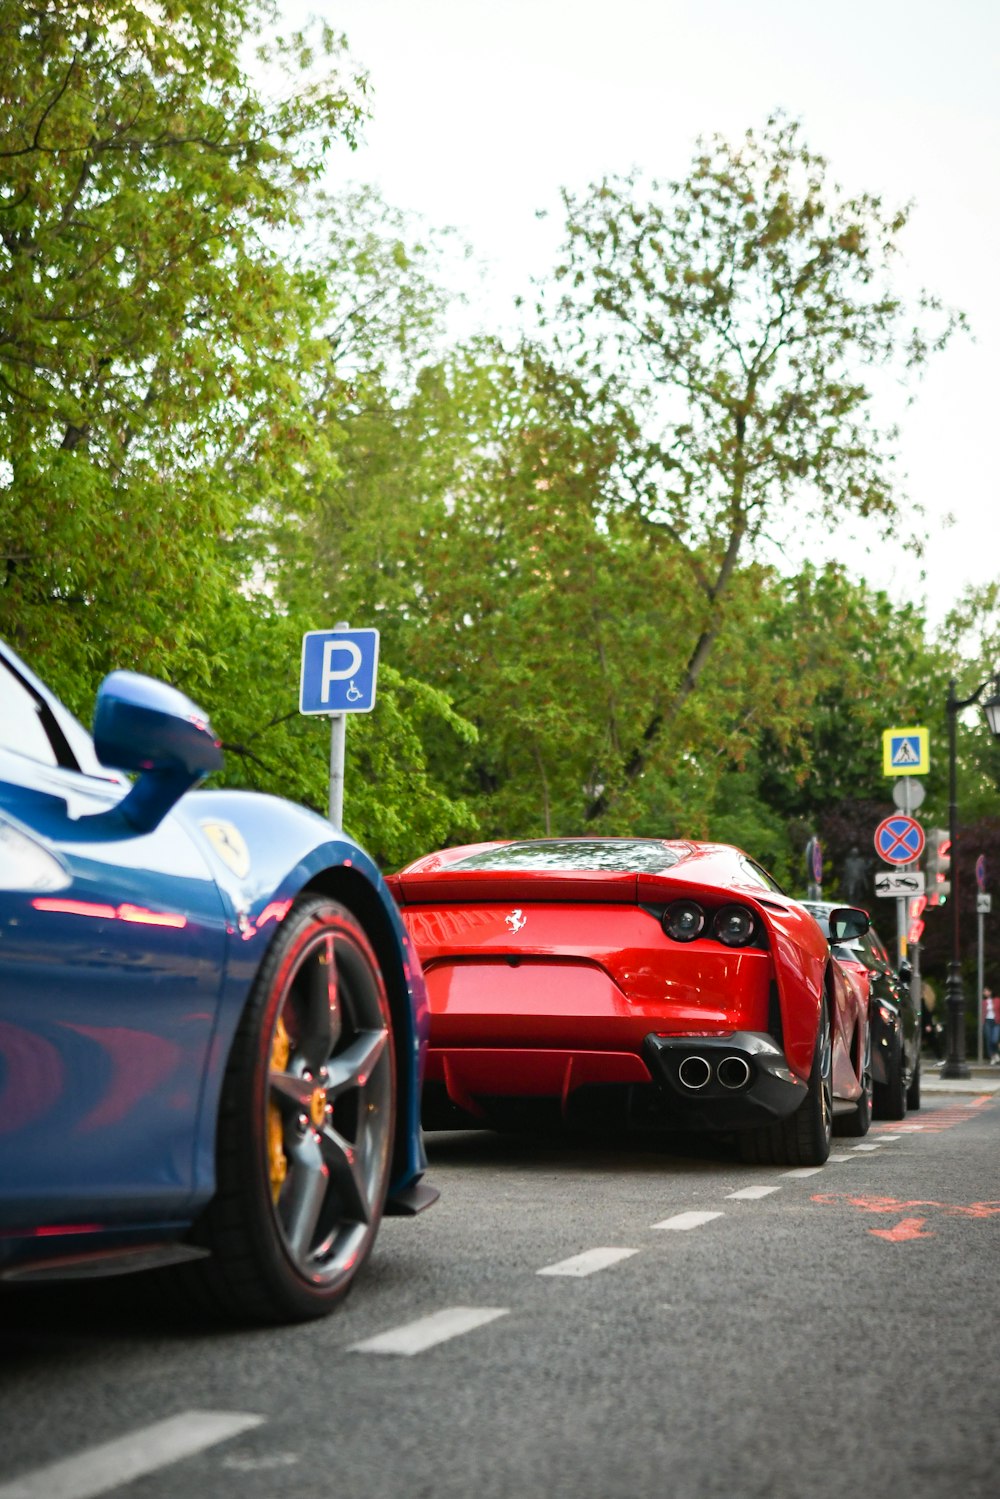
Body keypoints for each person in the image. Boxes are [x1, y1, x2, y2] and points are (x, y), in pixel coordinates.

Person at [983, 987, 999, 1065]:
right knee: (988, 1040)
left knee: (994, 1039)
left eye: (986, 991)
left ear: (990, 991)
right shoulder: (983, 1002)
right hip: (987, 1022)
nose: (985, 993)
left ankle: (995, 1053)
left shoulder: (997, 1000)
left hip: (996, 1022)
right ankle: (992, 1056)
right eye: (984, 991)